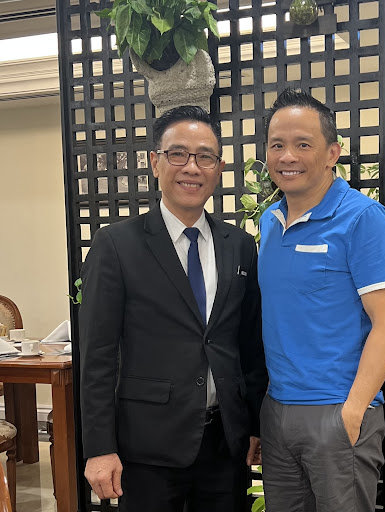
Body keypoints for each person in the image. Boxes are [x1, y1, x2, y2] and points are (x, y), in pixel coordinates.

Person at [79, 105, 268, 512]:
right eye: (178, 154)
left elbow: (248, 344)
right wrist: (99, 448)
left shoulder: (238, 245)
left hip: (225, 443)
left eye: (205, 157)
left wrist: (254, 423)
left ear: (219, 168)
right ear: (155, 162)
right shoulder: (116, 245)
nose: (192, 167)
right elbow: (97, 356)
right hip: (147, 445)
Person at [258, 89, 385, 512]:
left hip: (336, 411)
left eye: (303, 144)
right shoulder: (270, 222)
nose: (288, 156)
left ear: (331, 153)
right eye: (277, 145)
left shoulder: (363, 218)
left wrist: (353, 411)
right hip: (277, 410)